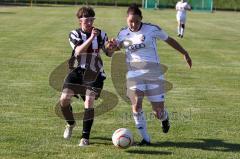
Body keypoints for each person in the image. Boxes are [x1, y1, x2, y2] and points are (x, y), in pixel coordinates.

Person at [110, 3, 192, 145]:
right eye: (131, 21)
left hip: (154, 73)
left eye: (137, 21)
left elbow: (169, 40)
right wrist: (108, 46)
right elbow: (110, 51)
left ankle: (164, 118)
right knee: (136, 105)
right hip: (134, 73)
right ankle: (146, 139)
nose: (134, 24)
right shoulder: (122, 34)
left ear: (141, 18)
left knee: (158, 112)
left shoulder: (152, 29)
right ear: (126, 20)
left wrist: (184, 53)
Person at [59, 6, 114, 147]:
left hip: (94, 73)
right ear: (80, 21)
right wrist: (91, 38)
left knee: (89, 101)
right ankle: (70, 124)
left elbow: (108, 53)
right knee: (64, 100)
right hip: (77, 72)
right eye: (86, 21)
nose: (90, 23)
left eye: (92, 20)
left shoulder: (101, 34)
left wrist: (111, 47)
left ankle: (85, 138)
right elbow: (78, 51)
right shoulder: (74, 34)